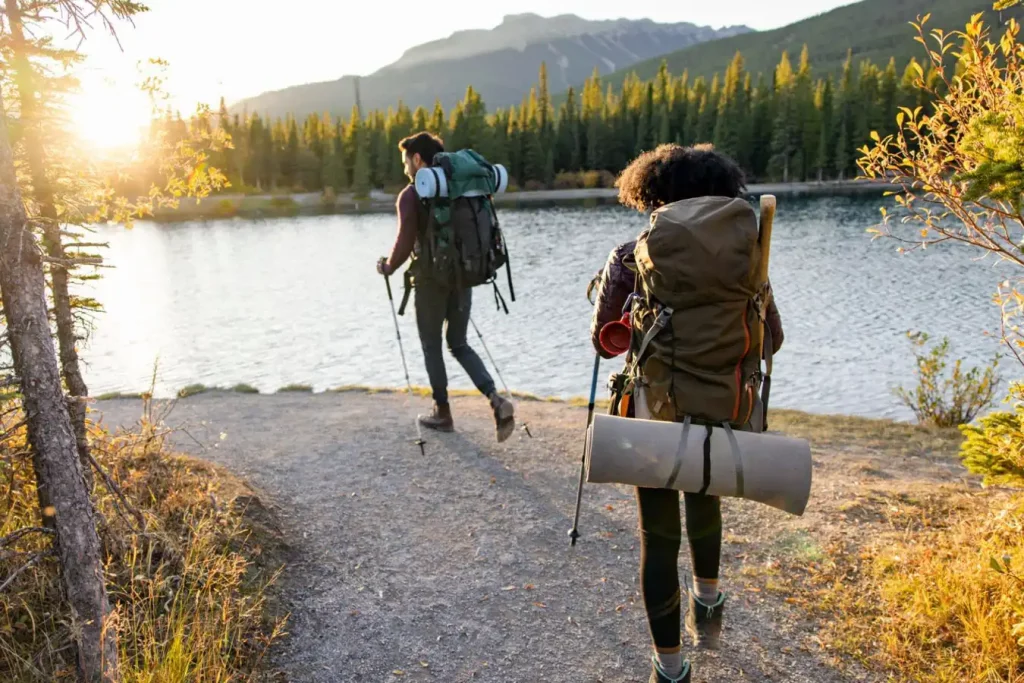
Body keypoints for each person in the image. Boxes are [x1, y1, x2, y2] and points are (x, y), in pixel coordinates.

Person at [589, 143, 785, 683]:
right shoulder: (751, 259)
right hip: (725, 408)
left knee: (658, 536)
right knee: (705, 501)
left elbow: (603, 343)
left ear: (650, 196)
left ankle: (670, 668)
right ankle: (710, 604)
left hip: (653, 411)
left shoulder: (631, 254)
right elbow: (773, 340)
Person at [376, 131, 516, 442]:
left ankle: (442, 412)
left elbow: (405, 241)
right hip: (462, 277)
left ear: (417, 159)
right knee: (459, 343)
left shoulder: (412, 194)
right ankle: (496, 399)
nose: (405, 170)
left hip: (429, 281)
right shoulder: (460, 189)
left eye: (406, 162)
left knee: (432, 344)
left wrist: (387, 266)